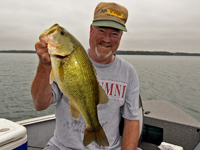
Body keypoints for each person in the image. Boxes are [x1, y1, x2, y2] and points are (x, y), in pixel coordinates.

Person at [31, 2, 140, 150]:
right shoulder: (61, 63)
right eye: (101, 30)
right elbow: (40, 105)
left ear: (121, 36)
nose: (107, 39)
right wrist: (44, 67)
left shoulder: (128, 72)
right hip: (62, 147)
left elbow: (132, 120)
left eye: (114, 33)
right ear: (91, 30)